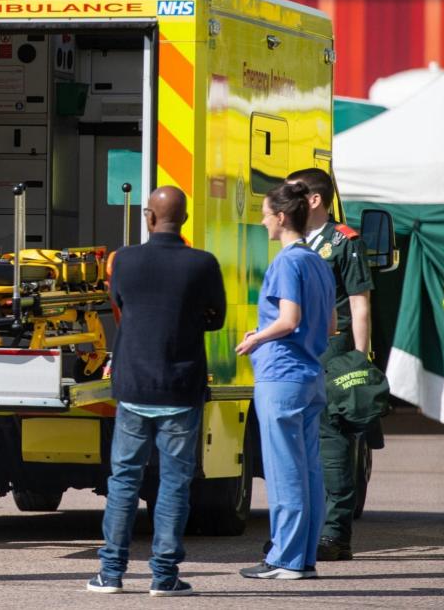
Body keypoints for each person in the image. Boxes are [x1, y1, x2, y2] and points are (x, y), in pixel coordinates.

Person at [87, 186, 226, 597]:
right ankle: (164, 576)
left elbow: (119, 302)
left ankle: (111, 573)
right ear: (183, 219)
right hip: (180, 388)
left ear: (149, 217)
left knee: (124, 481)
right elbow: (215, 319)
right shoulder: (202, 263)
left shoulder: (125, 260)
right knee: (174, 483)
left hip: (133, 386)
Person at [236, 182, 335, 580]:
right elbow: (329, 325)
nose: (261, 221)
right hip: (311, 373)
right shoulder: (317, 261)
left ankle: (285, 559)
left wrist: (256, 338)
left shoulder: (286, 263)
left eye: (264, 214)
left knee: (284, 472)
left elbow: (289, 319)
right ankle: (304, 556)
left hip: (282, 375)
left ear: (281, 217)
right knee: (308, 471)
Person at [286, 167, 375, 562]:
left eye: (293, 193)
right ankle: (303, 529)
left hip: (333, 353)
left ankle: (335, 534)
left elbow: (359, 304)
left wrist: (359, 359)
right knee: (300, 445)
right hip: (298, 353)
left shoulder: (344, 241)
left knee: (333, 442)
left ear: (315, 200)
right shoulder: (295, 241)